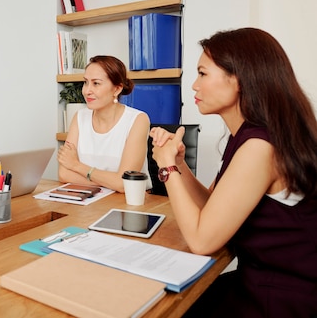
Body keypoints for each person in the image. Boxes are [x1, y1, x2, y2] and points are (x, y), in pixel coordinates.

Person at [150, 28, 317, 317]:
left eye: (203, 74)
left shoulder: (259, 147)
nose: (194, 85)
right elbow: (212, 207)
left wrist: (166, 168)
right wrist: (180, 165)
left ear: (238, 79)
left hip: (284, 296)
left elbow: (202, 241)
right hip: (261, 280)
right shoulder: (246, 136)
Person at [57, 55, 150, 192]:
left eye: (96, 83)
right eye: (86, 82)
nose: (87, 91)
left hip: (128, 203)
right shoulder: (79, 117)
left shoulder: (138, 120)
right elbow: (64, 174)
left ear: (117, 89)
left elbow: (125, 183)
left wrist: (77, 166)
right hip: (89, 202)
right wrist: (111, 182)